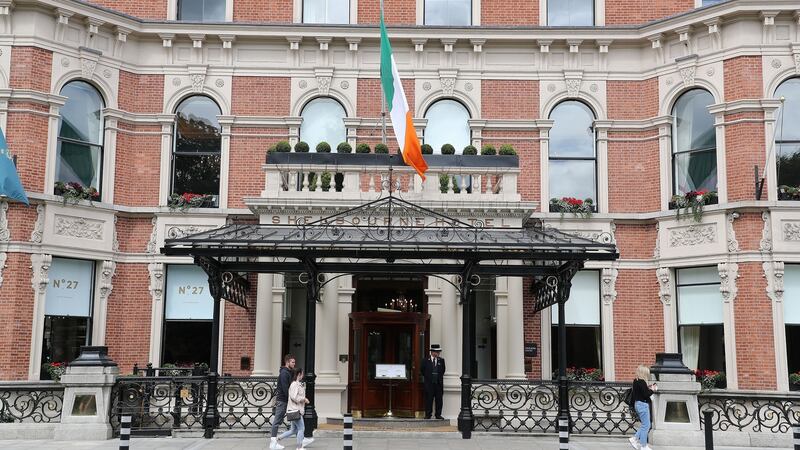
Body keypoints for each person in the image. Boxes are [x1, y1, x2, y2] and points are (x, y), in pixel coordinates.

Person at [277, 368, 314, 449]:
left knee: (293, 430)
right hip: (295, 410)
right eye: (302, 374)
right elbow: (293, 397)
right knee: (301, 428)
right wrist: (303, 399)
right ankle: (299, 447)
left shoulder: (298, 384)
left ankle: (278, 438)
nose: (303, 376)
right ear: (299, 374)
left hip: (295, 410)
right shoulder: (294, 384)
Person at [270, 354, 296, 450]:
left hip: (285, 401)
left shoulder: (288, 372)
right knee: (277, 422)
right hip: (283, 401)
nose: (294, 364)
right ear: (287, 362)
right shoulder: (284, 373)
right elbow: (285, 389)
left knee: (295, 421)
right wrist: (291, 400)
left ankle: (302, 439)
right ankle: (273, 443)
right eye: (292, 362)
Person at [629, 365, 657, 450]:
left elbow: (637, 393)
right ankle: (643, 446)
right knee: (646, 426)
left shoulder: (636, 381)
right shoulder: (642, 382)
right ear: (644, 373)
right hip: (643, 405)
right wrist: (653, 390)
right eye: (647, 373)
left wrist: (648, 388)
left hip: (637, 404)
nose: (648, 375)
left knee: (645, 425)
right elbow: (645, 394)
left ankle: (635, 439)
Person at [420, 344, 445, 419]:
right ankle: (428, 414)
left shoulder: (441, 360)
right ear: (432, 352)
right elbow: (422, 370)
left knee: (439, 400)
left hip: (438, 384)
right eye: (436, 352)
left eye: (438, 352)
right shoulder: (425, 360)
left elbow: (443, 371)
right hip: (429, 384)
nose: (438, 353)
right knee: (429, 399)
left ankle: (438, 414)